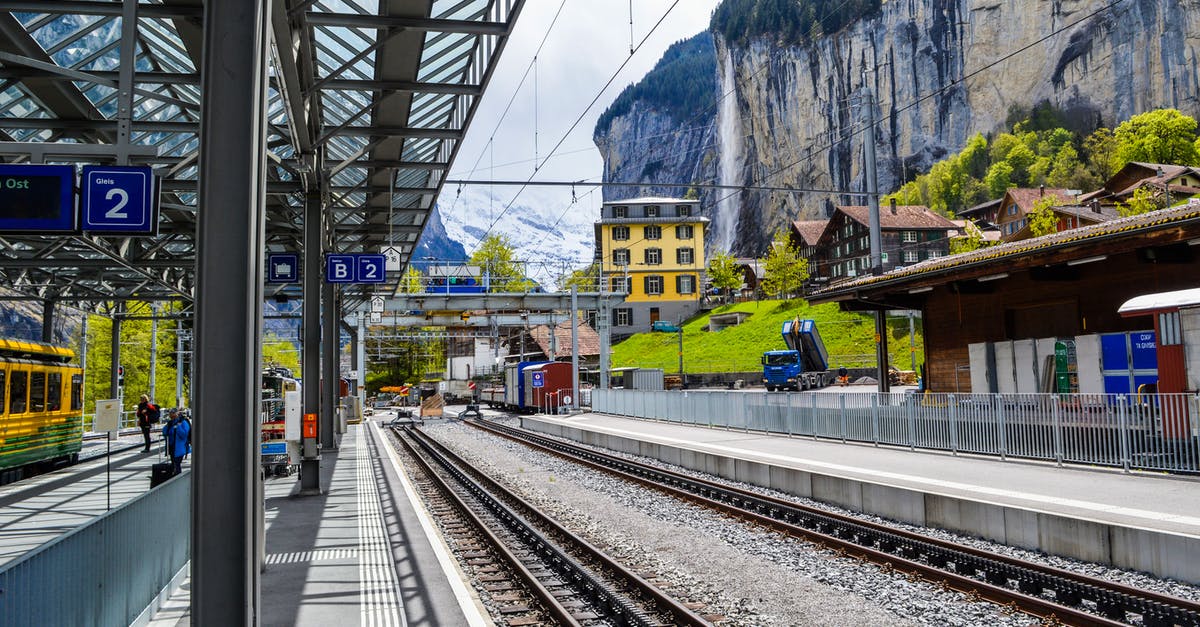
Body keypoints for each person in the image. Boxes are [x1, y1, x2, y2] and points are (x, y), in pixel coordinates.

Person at [162, 409, 192, 475]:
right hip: (172, 446)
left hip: (180, 447)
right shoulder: (170, 422)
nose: (171, 415)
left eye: (172, 413)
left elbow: (184, 435)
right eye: (170, 414)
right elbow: (165, 432)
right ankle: (175, 477)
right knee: (174, 463)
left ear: (177, 414)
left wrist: (178, 427)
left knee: (177, 463)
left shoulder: (183, 422)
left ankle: (177, 477)